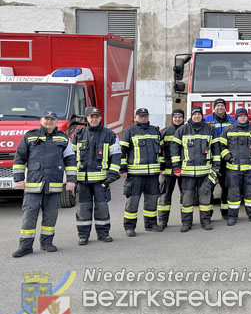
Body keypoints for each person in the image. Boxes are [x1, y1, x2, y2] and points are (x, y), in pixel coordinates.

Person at [12, 111, 77, 257]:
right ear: (41, 120)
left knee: (50, 215)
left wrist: (72, 180)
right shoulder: (30, 136)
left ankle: (46, 243)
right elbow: (19, 158)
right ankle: (25, 246)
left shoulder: (63, 138)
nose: (49, 122)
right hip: (33, 184)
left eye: (52, 119)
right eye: (46, 119)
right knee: (30, 215)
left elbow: (71, 160)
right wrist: (19, 178)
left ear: (56, 121)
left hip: (53, 184)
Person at [72, 107, 121, 244]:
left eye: (96, 117)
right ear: (86, 118)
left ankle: (103, 234)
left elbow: (116, 156)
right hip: (82, 181)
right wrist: (71, 176)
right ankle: (83, 236)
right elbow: (71, 157)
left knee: (102, 209)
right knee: (83, 210)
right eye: (91, 117)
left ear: (100, 118)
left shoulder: (110, 135)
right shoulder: (79, 134)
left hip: (101, 181)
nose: (94, 119)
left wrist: (112, 174)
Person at [170, 107, 219, 231]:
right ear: (191, 116)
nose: (197, 116)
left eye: (199, 114)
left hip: (205, 172)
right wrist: (176, 167)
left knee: (205, 198)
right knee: (187, 199)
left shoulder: (210, 129)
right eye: (194, 114)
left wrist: (216, 167)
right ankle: (186, 223)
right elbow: (174, 149)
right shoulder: (182, 130)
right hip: (187, 173)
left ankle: (205, 221)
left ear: (202, 116)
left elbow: (216, 150)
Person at [219, 108, 251, 224]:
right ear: (236, 117)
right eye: (240, 116)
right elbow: (221, 146)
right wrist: (228, 157)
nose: (242, 118)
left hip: (250, 170)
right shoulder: (228, 130)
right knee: (233, 194)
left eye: (244, 116)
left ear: (247, 117)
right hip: (233, 170)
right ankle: (232, 217)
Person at [119, 108, 162, 236]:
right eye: (141, 116)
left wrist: (161, 167)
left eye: (145, 116)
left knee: (152, 200)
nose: (143, 118)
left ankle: (151, 224)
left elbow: (160, 151)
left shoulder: (155, 130)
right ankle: (129, 227)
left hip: (152, 174)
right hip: (135, 174)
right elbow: (122, 152)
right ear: (135, 117)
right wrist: (123, 169)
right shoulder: (129, 131)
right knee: (133, 202)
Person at [204, 98, 235, 218]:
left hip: (226, 159)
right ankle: (208, 215)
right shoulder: (206, 120)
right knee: (208, 187)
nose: (220, 108)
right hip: (211, 159)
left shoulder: (232, 120)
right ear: (214, 107)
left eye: (222, 106)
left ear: (225, 107)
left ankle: (225, 213)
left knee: (226, 187)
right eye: (218, 106)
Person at [156, 109, 184, 229]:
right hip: (168, 170)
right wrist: (161, 166)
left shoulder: (187, 130)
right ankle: (162, 221)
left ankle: (186, 220)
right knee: (165, 196)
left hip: (184, 169)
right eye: (175, 117)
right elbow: (159, 151)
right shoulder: (165, 132)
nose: (177, 119)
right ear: (172, 118)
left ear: (183, 118)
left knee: (185, 195)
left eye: (180, 117)